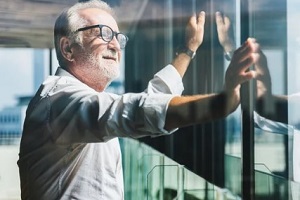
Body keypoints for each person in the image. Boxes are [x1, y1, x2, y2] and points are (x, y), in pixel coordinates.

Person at [17, 1, 260, 199]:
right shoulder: (59, 100)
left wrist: (187, 50)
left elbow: (149, 100)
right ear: (68, 48)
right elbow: (137, 111)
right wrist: (223, 101)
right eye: (103, 33)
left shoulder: (87, 100)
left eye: (117, 36)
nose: (114, 43)